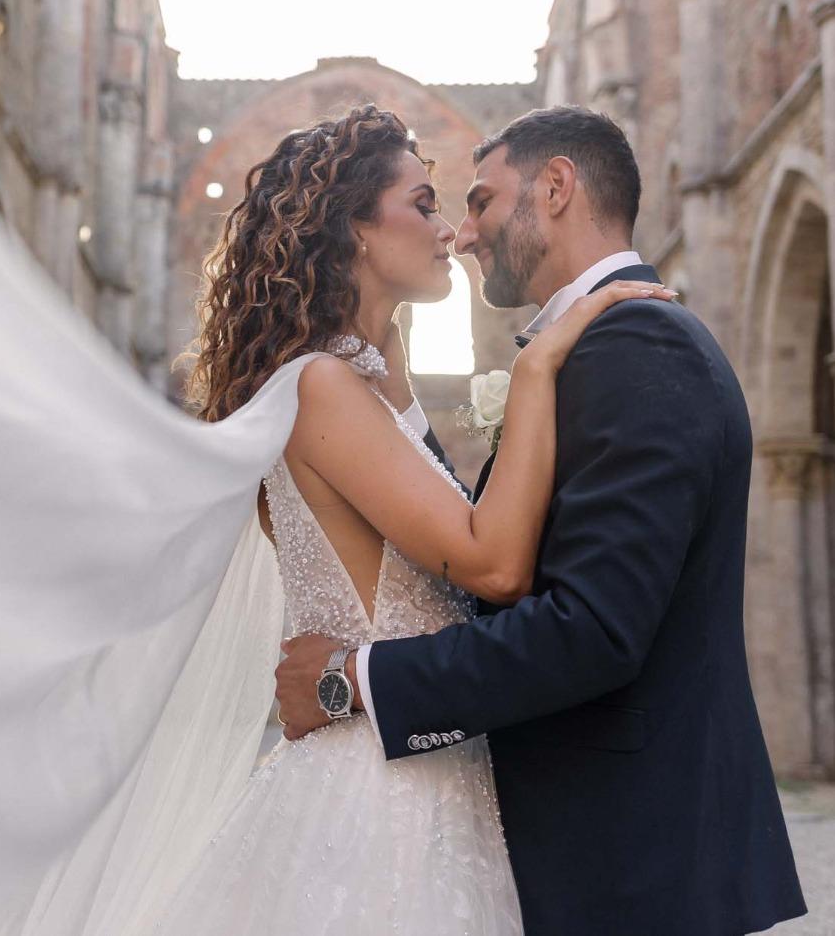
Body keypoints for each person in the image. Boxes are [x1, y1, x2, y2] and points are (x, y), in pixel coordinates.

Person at [274, 106, 807, 935]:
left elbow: (590, 630)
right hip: (550, 848)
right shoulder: (575, 351)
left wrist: (352, 679)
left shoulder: (637, 347)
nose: (465, 231)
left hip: (629, 864)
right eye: (437, 205)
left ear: (555, 188)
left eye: (481, 201)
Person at [147, 104, 672, 934]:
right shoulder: (320, 385)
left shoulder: (369, 382)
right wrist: (536, 369)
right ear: (354, 228)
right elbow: (492, 566)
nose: (453, 235)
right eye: (426, 205)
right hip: (377, 806)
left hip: (431, 776)